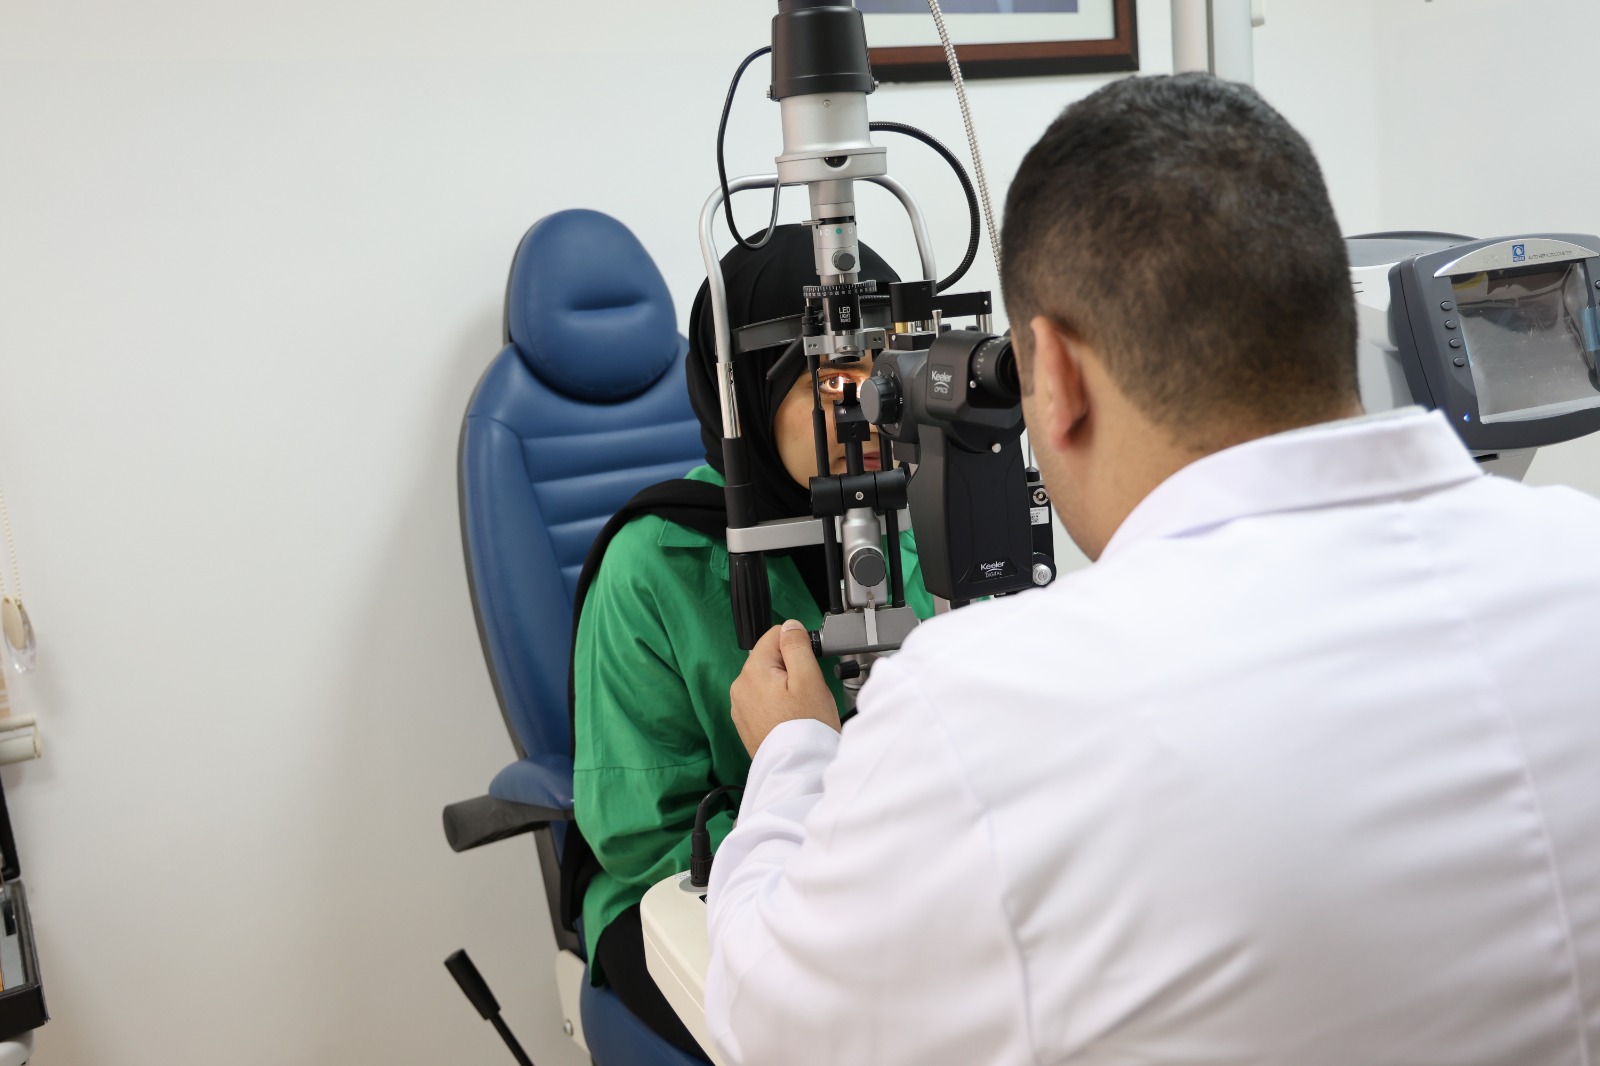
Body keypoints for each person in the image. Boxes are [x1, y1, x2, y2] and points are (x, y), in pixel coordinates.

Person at [705, 74, 1600, 1066]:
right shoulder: (1581, 556)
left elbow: (771, 1024)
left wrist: (792, 757)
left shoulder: (981, 705)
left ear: (1052, 372)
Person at [572, 224, 936, 1058]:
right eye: (832, 379)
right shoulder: (651, 563)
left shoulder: (926, 520)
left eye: (885, 372)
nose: (868, 407)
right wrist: (821, 824)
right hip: (682, 893)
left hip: (892, 863)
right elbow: (640, 836)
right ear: (744, 395)